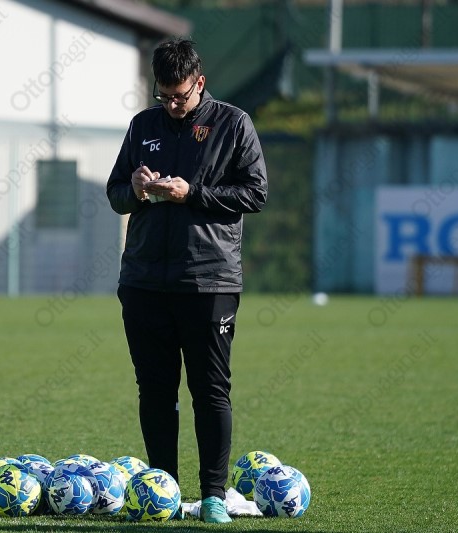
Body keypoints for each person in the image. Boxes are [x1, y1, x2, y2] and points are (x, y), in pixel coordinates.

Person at [106, 38, 268, 523]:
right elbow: (115, 193)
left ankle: (214, 496)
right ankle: (165, 493)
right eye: (164, 96)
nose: (172, 105)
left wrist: (191, 193)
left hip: (208, 281)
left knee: (210, 391)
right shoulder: (143, 125)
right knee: (155, 391)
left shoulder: (233, 123)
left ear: (200, 83)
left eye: (180, 96)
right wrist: (136, 189)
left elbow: (255, 193)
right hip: (144, 281)